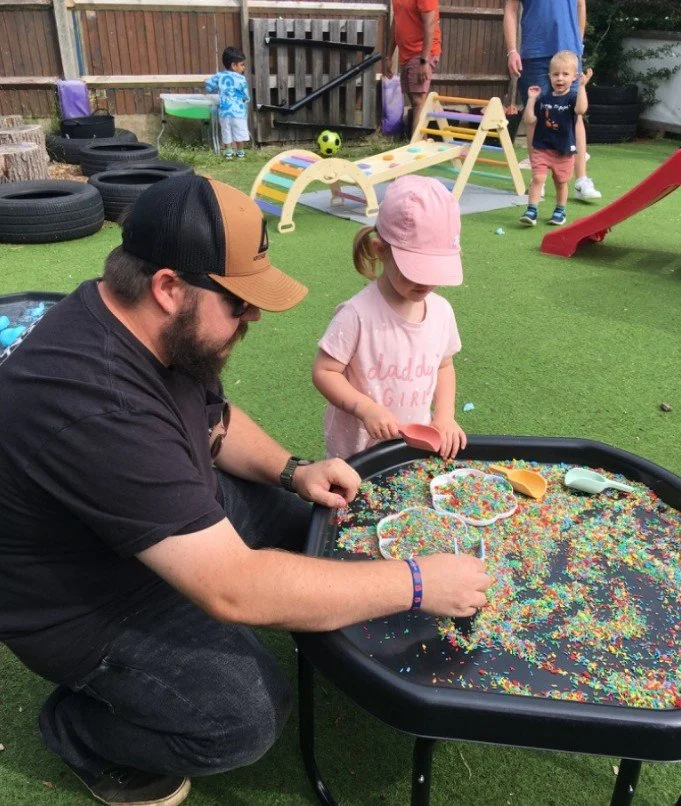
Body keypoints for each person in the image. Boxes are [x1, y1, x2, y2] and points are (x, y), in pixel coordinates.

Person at [0, 174, 492, 806]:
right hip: (89, 603)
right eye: (237, 302)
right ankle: (80, 730)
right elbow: (233, 588)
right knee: (243, 717)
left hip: (156, 515)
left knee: (318, 524)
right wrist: (419, 582)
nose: (253, 315)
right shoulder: (98, 405)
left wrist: (294, 470)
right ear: (169, 288)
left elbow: (216, 420)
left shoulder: (141, 323)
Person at [312, 175, 467, 461]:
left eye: (435, 271)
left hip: (411, 445)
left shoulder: (442, 312)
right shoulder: (357, 315)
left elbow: (444, 366)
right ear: (380, 251)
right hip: (356, 452)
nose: (426, 281)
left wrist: (444, 416)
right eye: (416, 269)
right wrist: (364, 408)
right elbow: (325, 371)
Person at [503, 0, 602, 202]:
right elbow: (510, 10)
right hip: (535, 53)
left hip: (569, 53)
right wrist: (512, 50)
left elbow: (581, 5)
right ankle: (538, 180)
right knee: (535, 117)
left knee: (575, 115)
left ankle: (581, 180)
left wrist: (578, 43)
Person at [520, 51, 591, 227]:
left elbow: (581, 110)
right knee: (537, 179)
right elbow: (529, 120)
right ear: (549, 76)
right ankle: (532, 209)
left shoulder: (572, 98)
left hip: (563, 150)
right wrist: (531, 100)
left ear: (574, 77)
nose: (560, 78)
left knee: (560, 182)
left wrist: (582, 87)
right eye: (556, 74)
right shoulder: (543, 98)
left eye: (565, 74)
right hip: (542, 148)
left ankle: (560, 209)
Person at [382, 0, 441, 136]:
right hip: (407, 53)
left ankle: (416, 149)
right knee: (417, 102)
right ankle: (423, 143)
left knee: (418, 101)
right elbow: (396, 22)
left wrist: (424, 61)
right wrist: (389, 56)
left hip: (422, 52)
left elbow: (430, 23)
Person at [205, 46, 250, 159]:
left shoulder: (220, 76)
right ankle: (240, 152)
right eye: (242, 65)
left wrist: (216, 89)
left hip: (224, 110)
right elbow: (245, 94)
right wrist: (245, 100)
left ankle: (228, 152)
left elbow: (208, 85)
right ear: (234, 66)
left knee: (226, 131)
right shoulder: (241, 79)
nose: (244, 67)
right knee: (239, 131)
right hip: (238, 111)